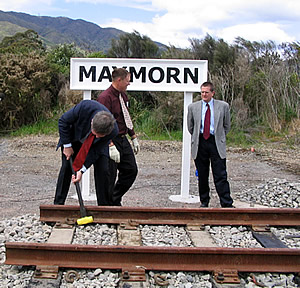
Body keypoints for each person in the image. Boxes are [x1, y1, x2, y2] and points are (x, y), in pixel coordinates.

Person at [54, 100, 119, 206]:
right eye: (96, 134)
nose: (97, 137)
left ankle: (104, 207)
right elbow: (63, 121)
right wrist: (67, 145)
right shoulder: (85, 107)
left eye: (100, 136)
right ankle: (58, 204)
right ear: (92, 122)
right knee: (66, 168)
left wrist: (82, 170)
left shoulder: (113, 130)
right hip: (73, 138)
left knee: (103, 169)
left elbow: (96, 151)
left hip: (96, 146)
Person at [187, 81, 234, 208]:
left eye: (206, 92)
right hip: (200, 142)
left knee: (220, 174)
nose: (204, 94)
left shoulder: (223, 106)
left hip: (215, 141)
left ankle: (226, 203)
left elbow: (226, 126)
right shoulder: (193, 107)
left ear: (212, 93)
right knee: (202, 175)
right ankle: (204, 202)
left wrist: (219, 136)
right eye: (202, 92)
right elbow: (190, 127)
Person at [97, 68, 139, 206]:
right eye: (127, 80)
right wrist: (109, 144)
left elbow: (125, 116)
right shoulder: (105, 98)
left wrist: (133, 136)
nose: (129, 83)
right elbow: (102, 124)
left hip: (123, 138)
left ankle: (115, 197)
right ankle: (107, 206)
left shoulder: (123, 96)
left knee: (131, 170)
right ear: (119, 80)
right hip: (110, 140)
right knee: (109, 175)